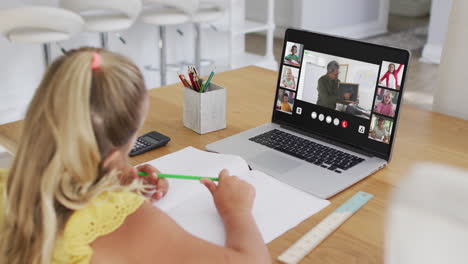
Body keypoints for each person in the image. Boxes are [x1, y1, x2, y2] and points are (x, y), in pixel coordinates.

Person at [0, 48, 271, 264]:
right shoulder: (124, 222)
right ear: (117, 151)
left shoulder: (6, 185)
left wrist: (109, 185)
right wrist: (235, 210)